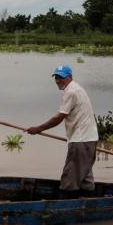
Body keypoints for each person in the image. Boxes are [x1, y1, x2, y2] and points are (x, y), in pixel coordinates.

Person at [27, 64, 98, 197]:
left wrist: (38, 129)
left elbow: (59, 118)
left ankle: (65, 207)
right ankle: (90, 203)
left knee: (69, 178)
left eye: (61, 78)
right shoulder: (77, 88)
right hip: (90, 139)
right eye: (56, 77)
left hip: (80, 140)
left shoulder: (71, 91)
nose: (58, 81)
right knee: (85, 178)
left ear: (70, 77)